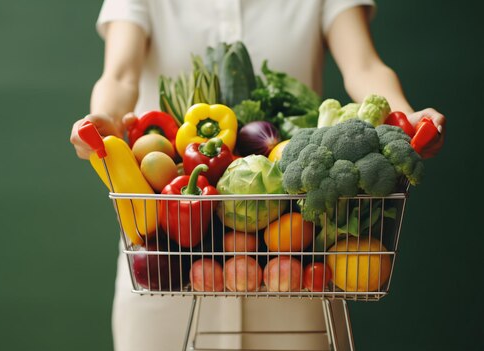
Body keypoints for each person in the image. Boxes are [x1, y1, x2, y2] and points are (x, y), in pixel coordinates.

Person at [70, 1, 446, 350]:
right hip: (166, 271)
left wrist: (404, 118)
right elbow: (119, 76)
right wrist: (103, 117)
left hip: (296, 276)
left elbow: (364, 66)